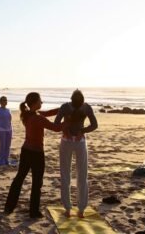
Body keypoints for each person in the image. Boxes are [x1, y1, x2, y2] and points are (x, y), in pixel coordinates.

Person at [4, 92, 66, 218]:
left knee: (19, 179)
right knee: (37, 182)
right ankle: (33, 212)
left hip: (26, 151)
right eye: (40, 100)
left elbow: (48, 113)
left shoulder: (28, 114)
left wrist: (63, 108)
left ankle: (9, 207)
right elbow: (56, 128)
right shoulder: (37, 117)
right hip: (36, 154)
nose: (42, 102)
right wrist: (69, 120)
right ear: (34, 103)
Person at [54, 89, 98, 218]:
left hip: (72, 142)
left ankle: (72, 209)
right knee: (79, 175)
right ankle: (76, 209)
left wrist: (73, 129)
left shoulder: (67, 107)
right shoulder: (84, 107)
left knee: (69, 174)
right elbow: (94, 125)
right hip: (76, 142)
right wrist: (80, 131)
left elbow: (57, 124)